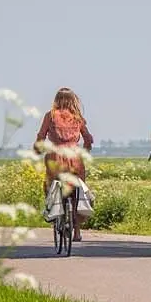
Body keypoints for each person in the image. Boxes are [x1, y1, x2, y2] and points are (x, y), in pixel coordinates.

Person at [35, 88, 94, 240]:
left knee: (50, 186)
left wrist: (37, 150)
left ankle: (54, 214)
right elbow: (88, 138)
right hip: (75, 158)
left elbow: (41, 136)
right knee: (77, 192)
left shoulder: (51, 115)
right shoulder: (77, 117)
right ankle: (77, 232)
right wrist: (85, 150)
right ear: (73, 100)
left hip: (55, 157)